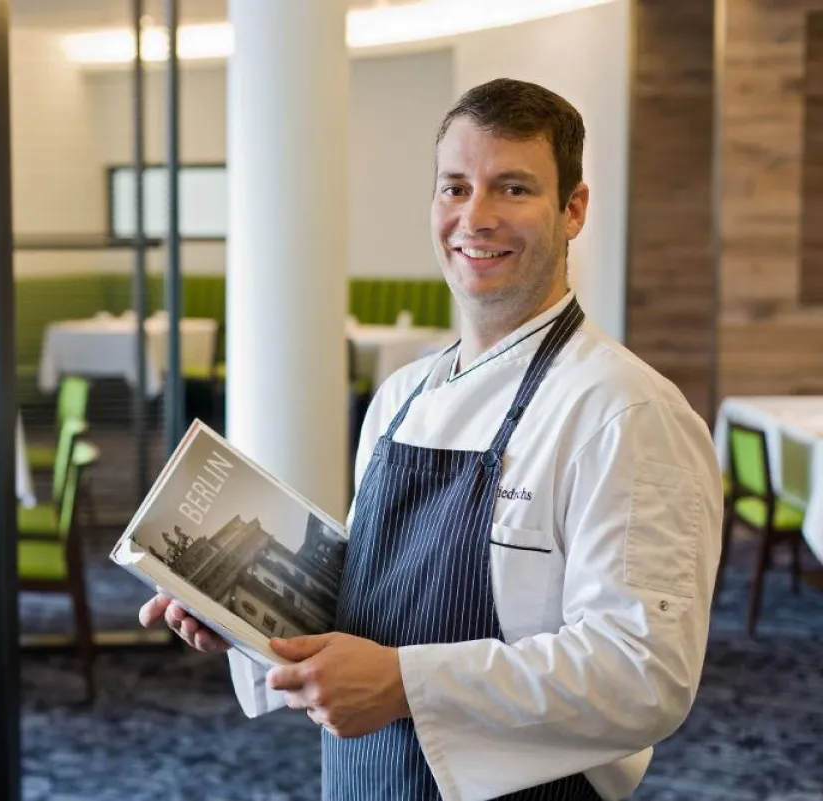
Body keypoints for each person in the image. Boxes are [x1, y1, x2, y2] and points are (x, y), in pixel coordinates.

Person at [139, 77, 722, 801]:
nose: (474, 217)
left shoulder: (626, 412)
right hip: (363, 778)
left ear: (574, 210)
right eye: (454, 188)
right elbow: (373, 605)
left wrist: (404, 683)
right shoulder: (399, 396)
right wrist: (240, 610)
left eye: (512, 189)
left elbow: (644, 676)